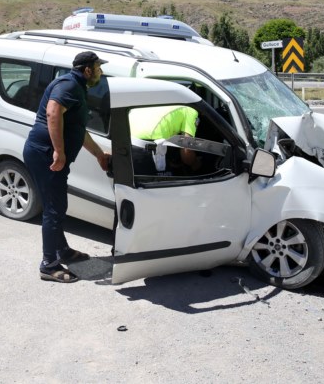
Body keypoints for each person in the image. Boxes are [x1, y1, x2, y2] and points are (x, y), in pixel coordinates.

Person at [23, 51, 111, 283]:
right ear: (87, 70)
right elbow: (53, 113)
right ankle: (49, 264)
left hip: (42, 153)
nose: (101, 72)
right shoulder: (69, 84)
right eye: (98, 68)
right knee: (55, 209)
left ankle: (62, 250)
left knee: (55, 206)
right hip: (44, 155)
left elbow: (79, 131)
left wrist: (99, 155)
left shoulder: (77, 87)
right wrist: (59, 152)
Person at [128, 105, 201, 174]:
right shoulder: (190, 111)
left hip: (128, 141)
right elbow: (186, 152)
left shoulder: (163, 100)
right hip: (149, 149)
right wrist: (195, 163)